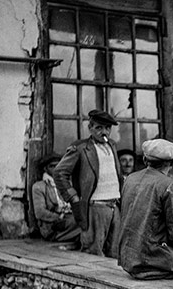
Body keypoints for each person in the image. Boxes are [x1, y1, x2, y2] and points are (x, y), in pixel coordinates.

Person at [117, 139, 173, 279]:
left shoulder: (130, 179)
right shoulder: (169, 185)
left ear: (145, 160)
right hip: (152, 261)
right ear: (171, 163)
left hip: (128, 259)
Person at [53, 110, 123, 257]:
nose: (104, 132)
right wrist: (73, 197)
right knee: (93, 253)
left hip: (114, 205)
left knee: (115, 253)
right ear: (90, 128)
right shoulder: (80, 148)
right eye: (99, 128)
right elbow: (59, 173)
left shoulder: (112, 145)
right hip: (94, 207)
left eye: (107, 128)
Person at [31, 154, 80, 244]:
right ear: (45, 169)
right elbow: (40, 212)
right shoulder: (39, 187)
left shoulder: (66, 184)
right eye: (52, 166)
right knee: (79, 222)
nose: (55, 168)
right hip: (52, 225)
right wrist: (58, 217)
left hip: (68, 218)